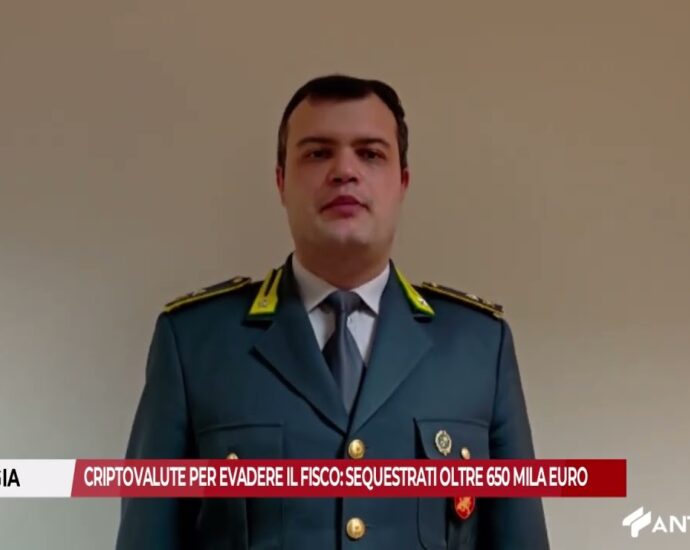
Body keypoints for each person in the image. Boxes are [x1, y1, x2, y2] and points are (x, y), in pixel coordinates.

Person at [116, 74, 549, 549]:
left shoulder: (479, 348)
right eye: (318, 153)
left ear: (402, 183)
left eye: (370, 154)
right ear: (281, 182)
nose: (345, 171)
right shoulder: (194, 343)